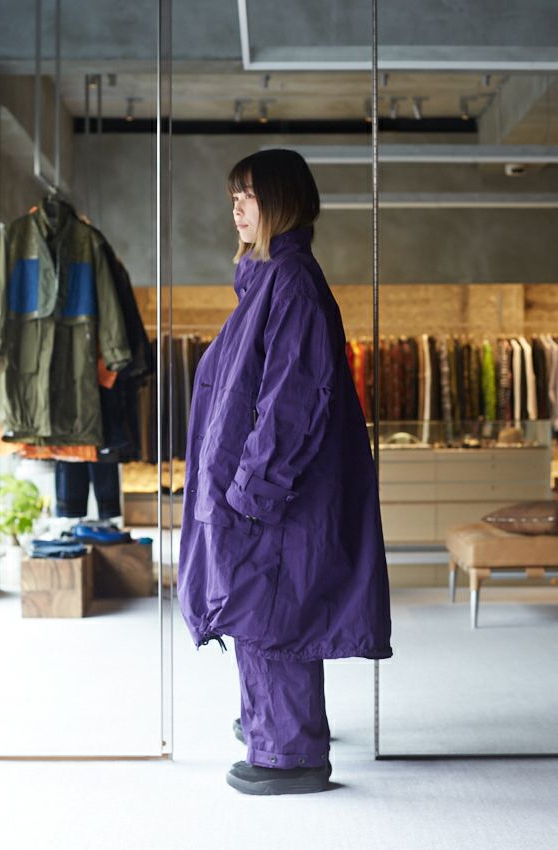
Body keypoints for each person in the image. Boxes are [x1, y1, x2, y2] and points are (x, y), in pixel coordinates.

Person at [178, 148, 392, 795]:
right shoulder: (268, 279)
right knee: (260, 604)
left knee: (271, 610)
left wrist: (252, 490)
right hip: (259, 488)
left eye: (247, 195)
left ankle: (290, 753)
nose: (236, 208)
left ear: (281, 201)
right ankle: (265, 724)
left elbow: (293, 398)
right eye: (233, 197)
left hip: (273, 492)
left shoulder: (290, 281)